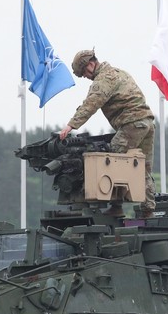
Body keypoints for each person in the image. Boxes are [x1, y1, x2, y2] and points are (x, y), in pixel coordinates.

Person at [60, 49, 156, 218]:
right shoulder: (120, 73)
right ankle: (147, 211)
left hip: (131, 124)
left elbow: (91, 104)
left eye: (84, 73)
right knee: (142, 167)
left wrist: (71, 126)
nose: (86, 77)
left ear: (91, 64)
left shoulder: (103, 79)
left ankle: (116, 207)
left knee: (112, 162)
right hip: (146, 123)